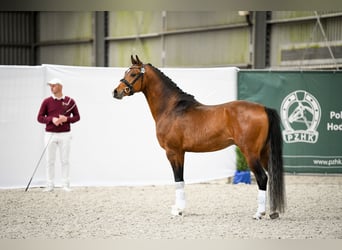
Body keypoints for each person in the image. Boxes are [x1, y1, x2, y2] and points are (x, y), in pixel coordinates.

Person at [37, 78, 80, 192]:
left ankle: (65, 184)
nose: (51, 88)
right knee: (49, 160)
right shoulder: (46, 101)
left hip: (65, 135)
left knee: (65, 160)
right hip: (50, 134)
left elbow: (77, 117)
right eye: (50, 86)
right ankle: (49, 184)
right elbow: (40, 118)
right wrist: (52, 119)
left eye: (54, 86)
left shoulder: (70, 101)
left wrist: (66, 119)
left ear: (60, 86)